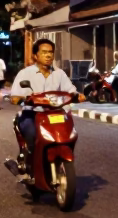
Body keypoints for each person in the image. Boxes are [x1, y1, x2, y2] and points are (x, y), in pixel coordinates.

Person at [9, 39, 84, 172]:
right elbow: (15, 96)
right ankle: (28, 166)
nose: (48, 55)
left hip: (55, 114)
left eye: (50, 52)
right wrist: (19, 98)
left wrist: (78, 96)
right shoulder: (25, 73)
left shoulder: (59, 73)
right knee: (32, 135)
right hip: (32, 114)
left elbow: (71, 90)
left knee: (69, 135)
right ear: (35, 56)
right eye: (44, 52)